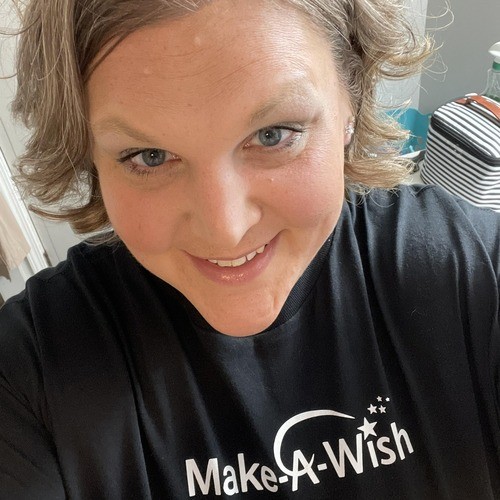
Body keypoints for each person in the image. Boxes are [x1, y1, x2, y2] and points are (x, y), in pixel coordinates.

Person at [0, 0, 499, 498]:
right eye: (149, 157)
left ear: (352, 95)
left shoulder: (468, 271)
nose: (225, 230)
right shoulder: (30, 373)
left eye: (272, 135)